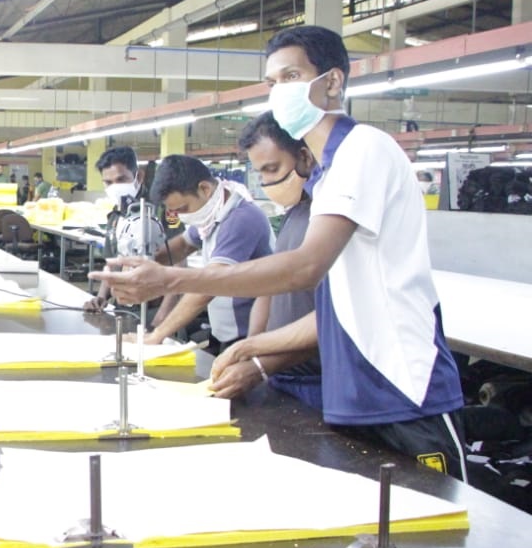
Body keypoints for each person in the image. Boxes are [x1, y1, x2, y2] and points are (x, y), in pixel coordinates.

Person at [97, 25, 468, 480]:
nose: (278, 92)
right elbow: (338, 308)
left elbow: (304, 269)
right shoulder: (326, 180)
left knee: (436, 540)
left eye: (291, 77)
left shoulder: (363, 148)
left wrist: (170, 278)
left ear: (331, 82)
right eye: (272, 83)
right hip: (352, 393)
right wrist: (256, 349)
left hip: (407, 391)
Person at [208, 113, 322, 409]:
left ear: (305, 158)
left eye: (272, 169)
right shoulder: (293, 213)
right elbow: (270, 292)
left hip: (318, 379)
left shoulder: (327, 222)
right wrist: (253, 350)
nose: (267, 182)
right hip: (280, 374)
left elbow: (330, 319)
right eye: (260, 173)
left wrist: (258, 359)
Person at [134, 155, 273, 352]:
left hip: (249, 336)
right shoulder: (212, 215)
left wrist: (158, 334)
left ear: (205, 189)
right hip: (224, 333)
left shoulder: (239, 219)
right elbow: (183, 244)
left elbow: (208, 286)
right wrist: (147, 260)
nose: (182, 216)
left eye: (183, 208)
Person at [83, 146, 183, 314]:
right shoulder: (115, 216)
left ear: (139, 176)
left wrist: (159, 322)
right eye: (108, 182)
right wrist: (100, 298)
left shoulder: (162, 210)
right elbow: (113, 263)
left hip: (155, 306)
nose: (115, 187)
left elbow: (179, 267)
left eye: (121, 179)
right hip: (125, 303)